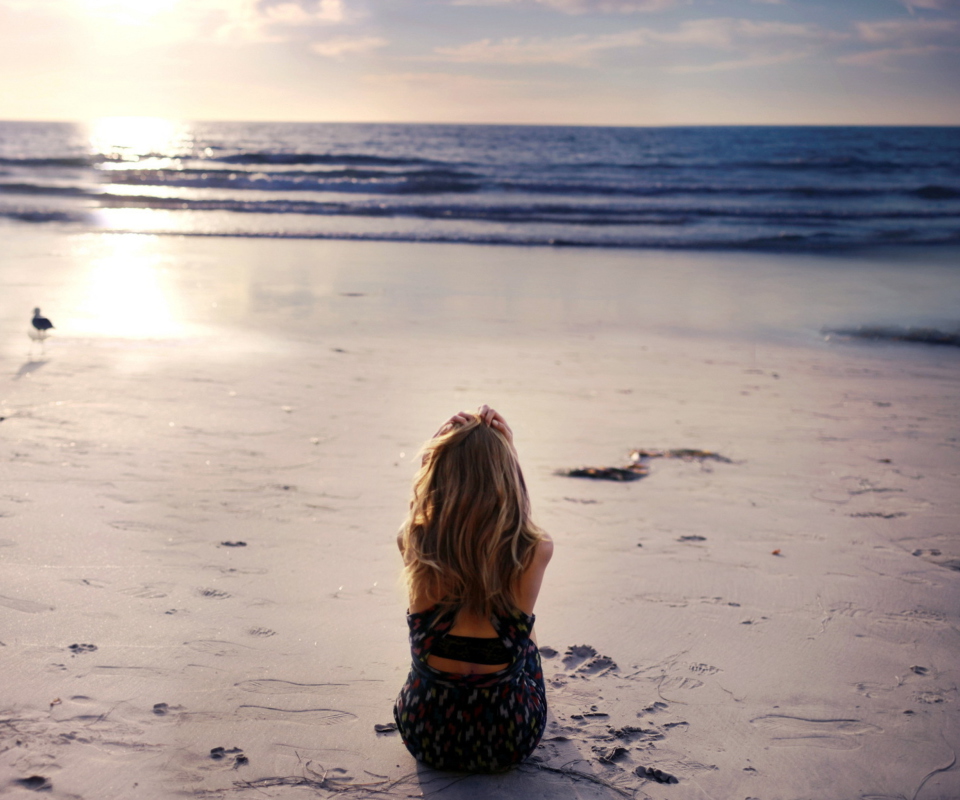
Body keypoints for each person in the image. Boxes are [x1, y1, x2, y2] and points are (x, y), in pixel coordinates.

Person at [393, 405, 553, 772]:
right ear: (508, 478)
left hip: (427, 735)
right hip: (509, 739)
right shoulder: (535, 551)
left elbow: (419, 516)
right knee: (523, 635)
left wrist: (434, 457)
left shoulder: (413, 542)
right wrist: (507, 454)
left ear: (436, 476)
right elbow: (520, 523)